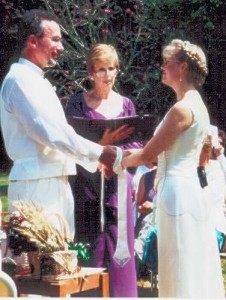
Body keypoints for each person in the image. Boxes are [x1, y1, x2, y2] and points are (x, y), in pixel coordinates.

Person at [0, 9, 117, 241]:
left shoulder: (34, 80)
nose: (61, 47)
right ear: (32, 41)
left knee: (58, 258)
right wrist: (99, 153)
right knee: (40, 264)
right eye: (55, 39)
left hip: (52, 180)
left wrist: (93, 159)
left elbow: (59, 135)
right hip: (36, 185)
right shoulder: (20, 80)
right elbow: (51, 134)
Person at [122, 39, 225, 298]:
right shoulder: (196, 105)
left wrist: (114, 158)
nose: (162, 67)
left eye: (166, 63)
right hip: (186, 189)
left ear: (182, 68)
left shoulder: (182, 109)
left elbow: (148, 154)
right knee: (185, 263)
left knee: (178, 265)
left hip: (177, 193)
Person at [66, 43, 140, 297]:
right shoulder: (77, 104)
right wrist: (99, 149)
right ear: (90, 73)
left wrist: (116, 159)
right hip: (88, 193)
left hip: (117, 193)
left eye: (111, 69)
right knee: (92, 255)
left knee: (121, 260)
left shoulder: (127, 105)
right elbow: (69, 145)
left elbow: (135, 146)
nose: (107, 75)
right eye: (100, 70)